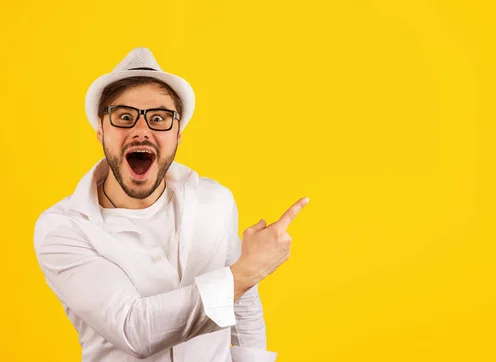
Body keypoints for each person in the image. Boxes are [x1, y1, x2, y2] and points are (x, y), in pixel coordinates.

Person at [33, 47, 309, 362]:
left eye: (159, 119)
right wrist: (246, 272)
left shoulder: (215, 201)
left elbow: (243, 304)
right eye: (124, 117)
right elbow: (133, 330)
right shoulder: (63, 227)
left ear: (178, 133)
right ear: (100, 129)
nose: (141, 131)